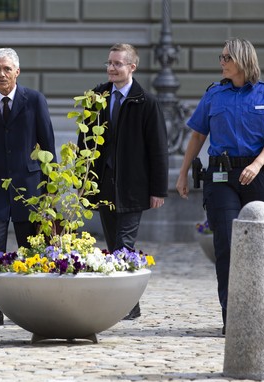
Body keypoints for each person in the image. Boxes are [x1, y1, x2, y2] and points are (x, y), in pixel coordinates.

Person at [176, 38, 264, 334]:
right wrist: (183, 172)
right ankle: (233, 318)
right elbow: (198, 136)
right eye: (221, 56)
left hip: (257, 175)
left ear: (242, 60)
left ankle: (262, 315)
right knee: (225, 245)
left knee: (261, 246)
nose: (221, 61)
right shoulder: (214, 95)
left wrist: (257, 164)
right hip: (221, 177)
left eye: (227, 57)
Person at [78, 43, 169, 320]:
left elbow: (158, 149)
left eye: (118, 64)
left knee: (123, 244)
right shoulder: (96, 97)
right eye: (109, 63)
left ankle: (123, 303)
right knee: (112, 241)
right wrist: (82, 180)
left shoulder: (146, 102)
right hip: (103, 185)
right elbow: (84, 141)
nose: (111, 69)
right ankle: (131, 303)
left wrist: (158, 189)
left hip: (133, 186)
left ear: (132, 67)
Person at [0, 48, 56, 326]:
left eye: (7, 69)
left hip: (29, 186)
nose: (2, 74)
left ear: (17, 72)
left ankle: (33, 307)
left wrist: (50, 190)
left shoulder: (34, 101)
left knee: (29, 247)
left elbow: (48, 146)